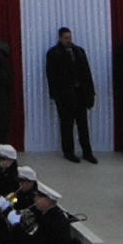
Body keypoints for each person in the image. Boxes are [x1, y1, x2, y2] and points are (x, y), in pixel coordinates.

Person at [41, 28, 96, 166]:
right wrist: (56, 96)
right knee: (67, 125)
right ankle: (69, 152)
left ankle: (87, 152)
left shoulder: (79, 51)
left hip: (80, 94)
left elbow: (87, 74)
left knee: (83, 125)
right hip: (65, 96)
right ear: (60, 38)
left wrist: (90, 93)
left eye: (70, 37)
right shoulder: (54, 53)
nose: (69, 40)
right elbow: (51, 76)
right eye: (66, 38)